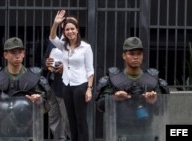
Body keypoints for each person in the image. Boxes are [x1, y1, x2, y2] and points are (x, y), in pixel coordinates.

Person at [96, 37, 170, 141]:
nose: (136, 57)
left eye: (139, 54)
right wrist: (114, 98)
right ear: (124, 56)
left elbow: (162, 110)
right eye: (131, 54)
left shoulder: (152, 80)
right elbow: (100, 106)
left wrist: (154, 101)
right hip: (120, 133)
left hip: (146, 132)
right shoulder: (113, 79)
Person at [49, 10, 94, 141]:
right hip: (66, 85)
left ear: (77, 30)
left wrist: (89, 89)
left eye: (72, 29)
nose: (70, 32)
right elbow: (52, 38)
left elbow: (90, 70)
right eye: (67, 29)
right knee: (70, 119)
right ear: (65, 32)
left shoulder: (86, 47)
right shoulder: (64, 46)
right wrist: (56, 24)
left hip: (80, 85)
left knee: (80, 119)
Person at [43, 40, 71, 141]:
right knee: (53, 116)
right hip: (51, 84)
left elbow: (80, 63)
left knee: (67, 117)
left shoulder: (75, 43)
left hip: (66, 85)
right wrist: (46, 62)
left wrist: (67, 66)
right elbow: (45, 59)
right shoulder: (52, 42)